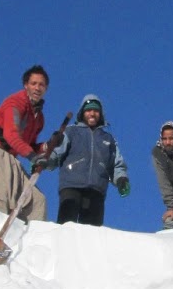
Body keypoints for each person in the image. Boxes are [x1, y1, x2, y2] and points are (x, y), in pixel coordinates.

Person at [0, 65, 52, 222]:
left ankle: (34, 236)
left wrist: (47, 146)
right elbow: (11, 135)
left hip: (11, 159)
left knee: (37, 201)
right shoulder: (16, 102)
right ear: (26, 85)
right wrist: (33, 157)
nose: (37, 88)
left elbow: (29, 144)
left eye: (41, 85)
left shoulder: (39, 118)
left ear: (46, 88)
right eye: (33, 83)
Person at [44, 94, 130, 225]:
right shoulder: (71, 132)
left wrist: (121, 179)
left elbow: (116, 164)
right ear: (82, 112)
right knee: (66, 227)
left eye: (96, 111)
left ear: (101, 114)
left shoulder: (108, 139)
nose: (92, 114)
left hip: (96, 190)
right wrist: (44, 161)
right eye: (89, 110)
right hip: (71, 185)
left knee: (92, 232)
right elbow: (56, 152)